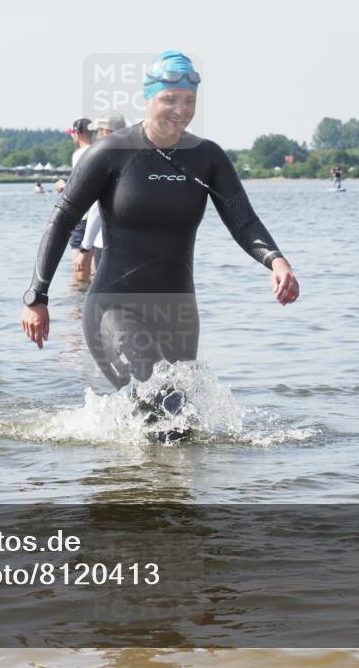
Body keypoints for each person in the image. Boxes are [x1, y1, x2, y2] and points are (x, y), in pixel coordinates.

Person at [21, 51, 299, 436]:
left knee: (182, 426)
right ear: (148, 97)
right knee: (166, 404)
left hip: (179, 314)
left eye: (189, 100)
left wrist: (277, 261)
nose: (180, 110)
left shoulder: (207, 157)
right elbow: (62, 219)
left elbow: (243, 219)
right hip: (114, 308)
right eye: (170, 99)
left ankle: (132, 471)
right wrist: (36, 296)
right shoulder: (111, 153)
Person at [75, 110, 127, 276]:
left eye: (98, 132)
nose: (96, 137)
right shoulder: (136, 158)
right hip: (132, 244)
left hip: (106, 243)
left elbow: (97, 209)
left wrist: (84, 248)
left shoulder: (105, 161)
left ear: (108, 132)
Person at [65, 118, 94, 280]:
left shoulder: (79, 154)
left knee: (79, 271)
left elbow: (78, 185)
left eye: (73, 134)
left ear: (78, 133)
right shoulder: (100, 149)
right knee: (94, 269)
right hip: (99, 216)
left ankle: (77, 294)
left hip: (83, 215)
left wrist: (63, 187)